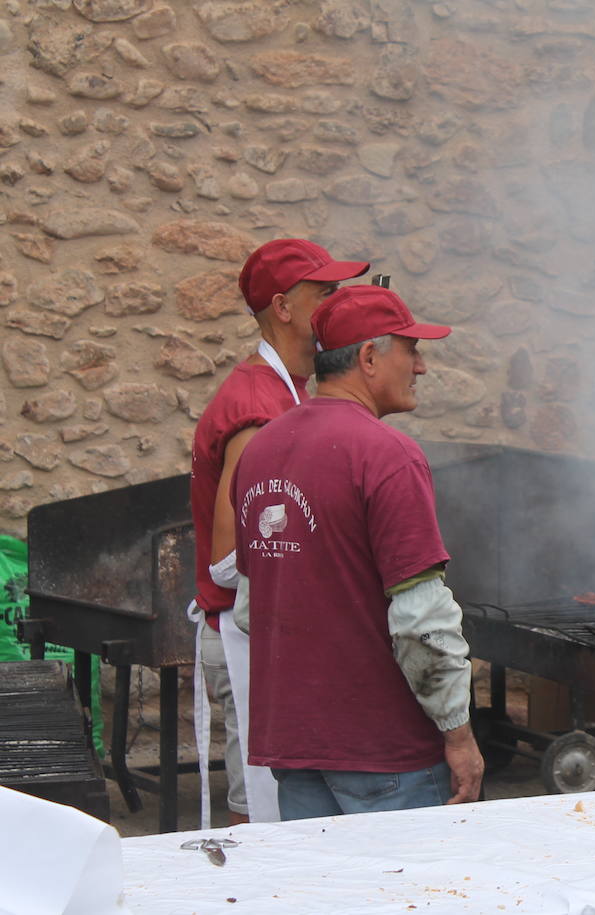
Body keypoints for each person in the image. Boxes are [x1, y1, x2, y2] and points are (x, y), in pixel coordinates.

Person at [230, 284, 484, 817]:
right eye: (411, 350)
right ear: (369, 357)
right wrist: (459, 736)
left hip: (294, 747)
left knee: (323, 897)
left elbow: (253, 608)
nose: (421, 368)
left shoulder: (261, 450)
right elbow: (421, 623)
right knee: (407, 896)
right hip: (386, 753)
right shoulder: (389, 455)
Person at [188, 238, 368, 826]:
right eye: (326, 293)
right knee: (263, 826)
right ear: (285, 307)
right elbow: (224, 556)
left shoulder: (289, 392)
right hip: (244, 635)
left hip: (269, 633)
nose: (337, 304)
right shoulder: (257, 405)